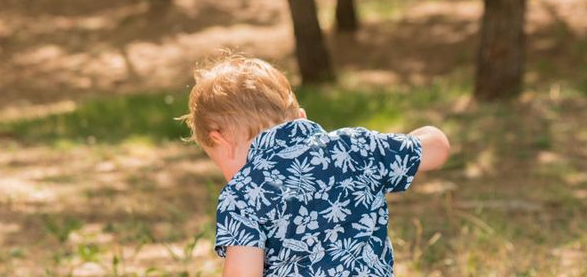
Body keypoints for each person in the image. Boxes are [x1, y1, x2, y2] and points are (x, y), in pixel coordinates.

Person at [182, 53, 450, 277]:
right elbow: (437, 148)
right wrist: (390, 148)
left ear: (222, 141)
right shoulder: (355, 148)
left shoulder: (242, 193)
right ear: (300, 117)